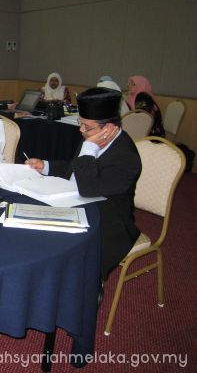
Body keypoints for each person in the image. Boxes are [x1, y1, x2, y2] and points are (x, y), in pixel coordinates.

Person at [25, 87, 142, 282]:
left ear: (108, 128)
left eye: (86, 126)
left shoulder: (126, 157)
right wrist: (45, 166)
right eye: (80, 123)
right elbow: (76, 168)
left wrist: (89, 148)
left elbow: (88, 188)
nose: (81, 130)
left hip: (110, 219)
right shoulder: (93, 137)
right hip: (78, 202)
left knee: (60, 240)